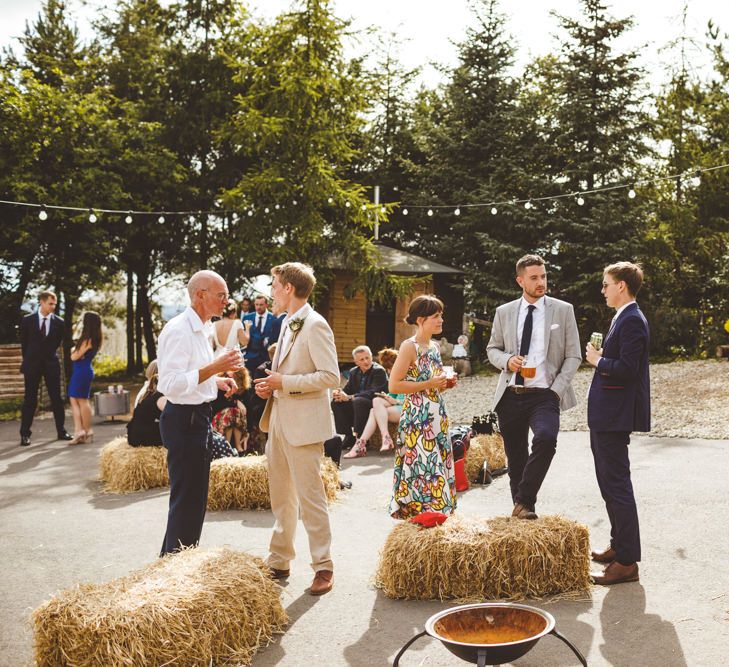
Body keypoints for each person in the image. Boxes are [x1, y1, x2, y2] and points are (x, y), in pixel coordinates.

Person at [254, 262, 340, 596]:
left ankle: (323, 566)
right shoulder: (287, 322)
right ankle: (279, 559)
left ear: (288, 288)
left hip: (304, 425)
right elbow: (287, 375)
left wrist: (284, 382)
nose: (271, 292)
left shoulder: (315, 324)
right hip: (278, 419)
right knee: (281, 496)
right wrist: (271, 387)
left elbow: (331, 377)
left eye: (274, 285)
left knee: (310, 498)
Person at [486, 254, 581, 520]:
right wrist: (507, 360)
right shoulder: (503, 312)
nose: (541, 282)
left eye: (544, 276)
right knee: (516, 458)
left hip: (545, 395)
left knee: (546, 439)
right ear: (520, 281)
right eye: (534, 278)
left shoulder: (563, 310)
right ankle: (525, 511)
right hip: (511, 394)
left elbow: (574, 355)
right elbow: (492, 348)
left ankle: (525, 499)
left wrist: (556, 389)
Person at [157, 270, 241, 556]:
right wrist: (215, 368)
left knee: (193, 501)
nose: (226, 301)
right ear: (199, 295)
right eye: (221, 295)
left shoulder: (204, 328)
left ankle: (175, 563)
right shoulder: (179, 330)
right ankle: (174, 567)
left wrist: (216, 380)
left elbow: (190, 375)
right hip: (184, 421)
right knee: (186, 502)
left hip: (198, 418)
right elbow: (168, 384)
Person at [586, 262, 650, 586]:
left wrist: (598, 361)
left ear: (621, 285)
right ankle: (618, 544)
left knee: (617, 486)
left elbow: (628, 368)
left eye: (606, 284)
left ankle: (627, 562)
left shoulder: (633, 320)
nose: (603, 290)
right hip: (606, 415)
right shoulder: (621, 317)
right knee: (609, 484)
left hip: (614, 417)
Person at [388, 295, 457, 519]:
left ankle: (438, 514)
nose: (441, 320)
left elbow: (433, 384)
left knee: (437, 461)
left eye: (441, 315)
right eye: (436, 316)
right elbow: (394, 384)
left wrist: (444, 384)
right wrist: (429, 384)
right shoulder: (410, 347)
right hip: (418, 416)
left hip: (437, 413)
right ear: (420, 319)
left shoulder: (435, 347)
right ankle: (427, 513)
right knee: (424, 465)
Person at [19, 290, 72, 446]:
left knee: (57, 399)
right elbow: (24, 344)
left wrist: (47, 356)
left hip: (51, 364)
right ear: (41, 302)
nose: (53, 307)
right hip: (32, 365)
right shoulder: (27, 321)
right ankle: (24, 434)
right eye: (50, 303)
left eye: (55, 304)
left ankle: (61, 431)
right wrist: (29, 360)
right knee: (30, 400)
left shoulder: (59, 322)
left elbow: (57, 342)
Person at [344, 347, 403, 457]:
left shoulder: (410, 376)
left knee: (373, 410)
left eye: (390, 369)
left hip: (407, 408)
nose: (389, 372)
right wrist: (387, 397)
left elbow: (415, 399)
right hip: (396, 405)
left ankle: (364, 444)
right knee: (375, 403)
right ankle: (377, 440)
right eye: (388, 370)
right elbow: (393, 394)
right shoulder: (394, 376)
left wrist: (396, 401)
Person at [331, 345, 388, 453]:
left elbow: (373, 392)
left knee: (358, 401)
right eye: (362, 359)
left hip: (375, 403)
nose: (366, 361)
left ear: (372, 357)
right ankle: (349, 436)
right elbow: (348, 389)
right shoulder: (353, 372)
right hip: (358, 403)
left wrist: (349, 397)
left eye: (368, 357)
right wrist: (340, 394)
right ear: (356, 362)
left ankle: (361, 437)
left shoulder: (379, 371)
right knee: (336, 402)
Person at [67, 311, 103, 445]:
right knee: (75, 399)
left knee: (81, 400)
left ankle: (84, 430)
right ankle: (81, 430)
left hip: (81, 371)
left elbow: (73, 356)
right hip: (82, 370)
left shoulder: (87, 339)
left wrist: (73, 351)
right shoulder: (94, 337)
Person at [211, 366, 252, 455]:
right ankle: (228, 444)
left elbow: (249, 410)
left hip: (238, 424)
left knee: (236, 411)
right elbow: (215, 405)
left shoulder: (243, 389)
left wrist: (248, 431)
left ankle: (237, 445)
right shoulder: (220, 382)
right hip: (218, 421)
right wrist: (235, 402)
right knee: (231, 411)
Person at [127, 365, 166, 447]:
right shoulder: (160, 397)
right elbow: (174, 413)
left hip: (134, 434)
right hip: (143, 436)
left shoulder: (147, 392)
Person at [243, 295, 282, 372]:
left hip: (266, 359)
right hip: (249, 358)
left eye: (261, 305)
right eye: (256, 305)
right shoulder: (247, 318)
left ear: (266, 305)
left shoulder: (274, 318)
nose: (258, 307)